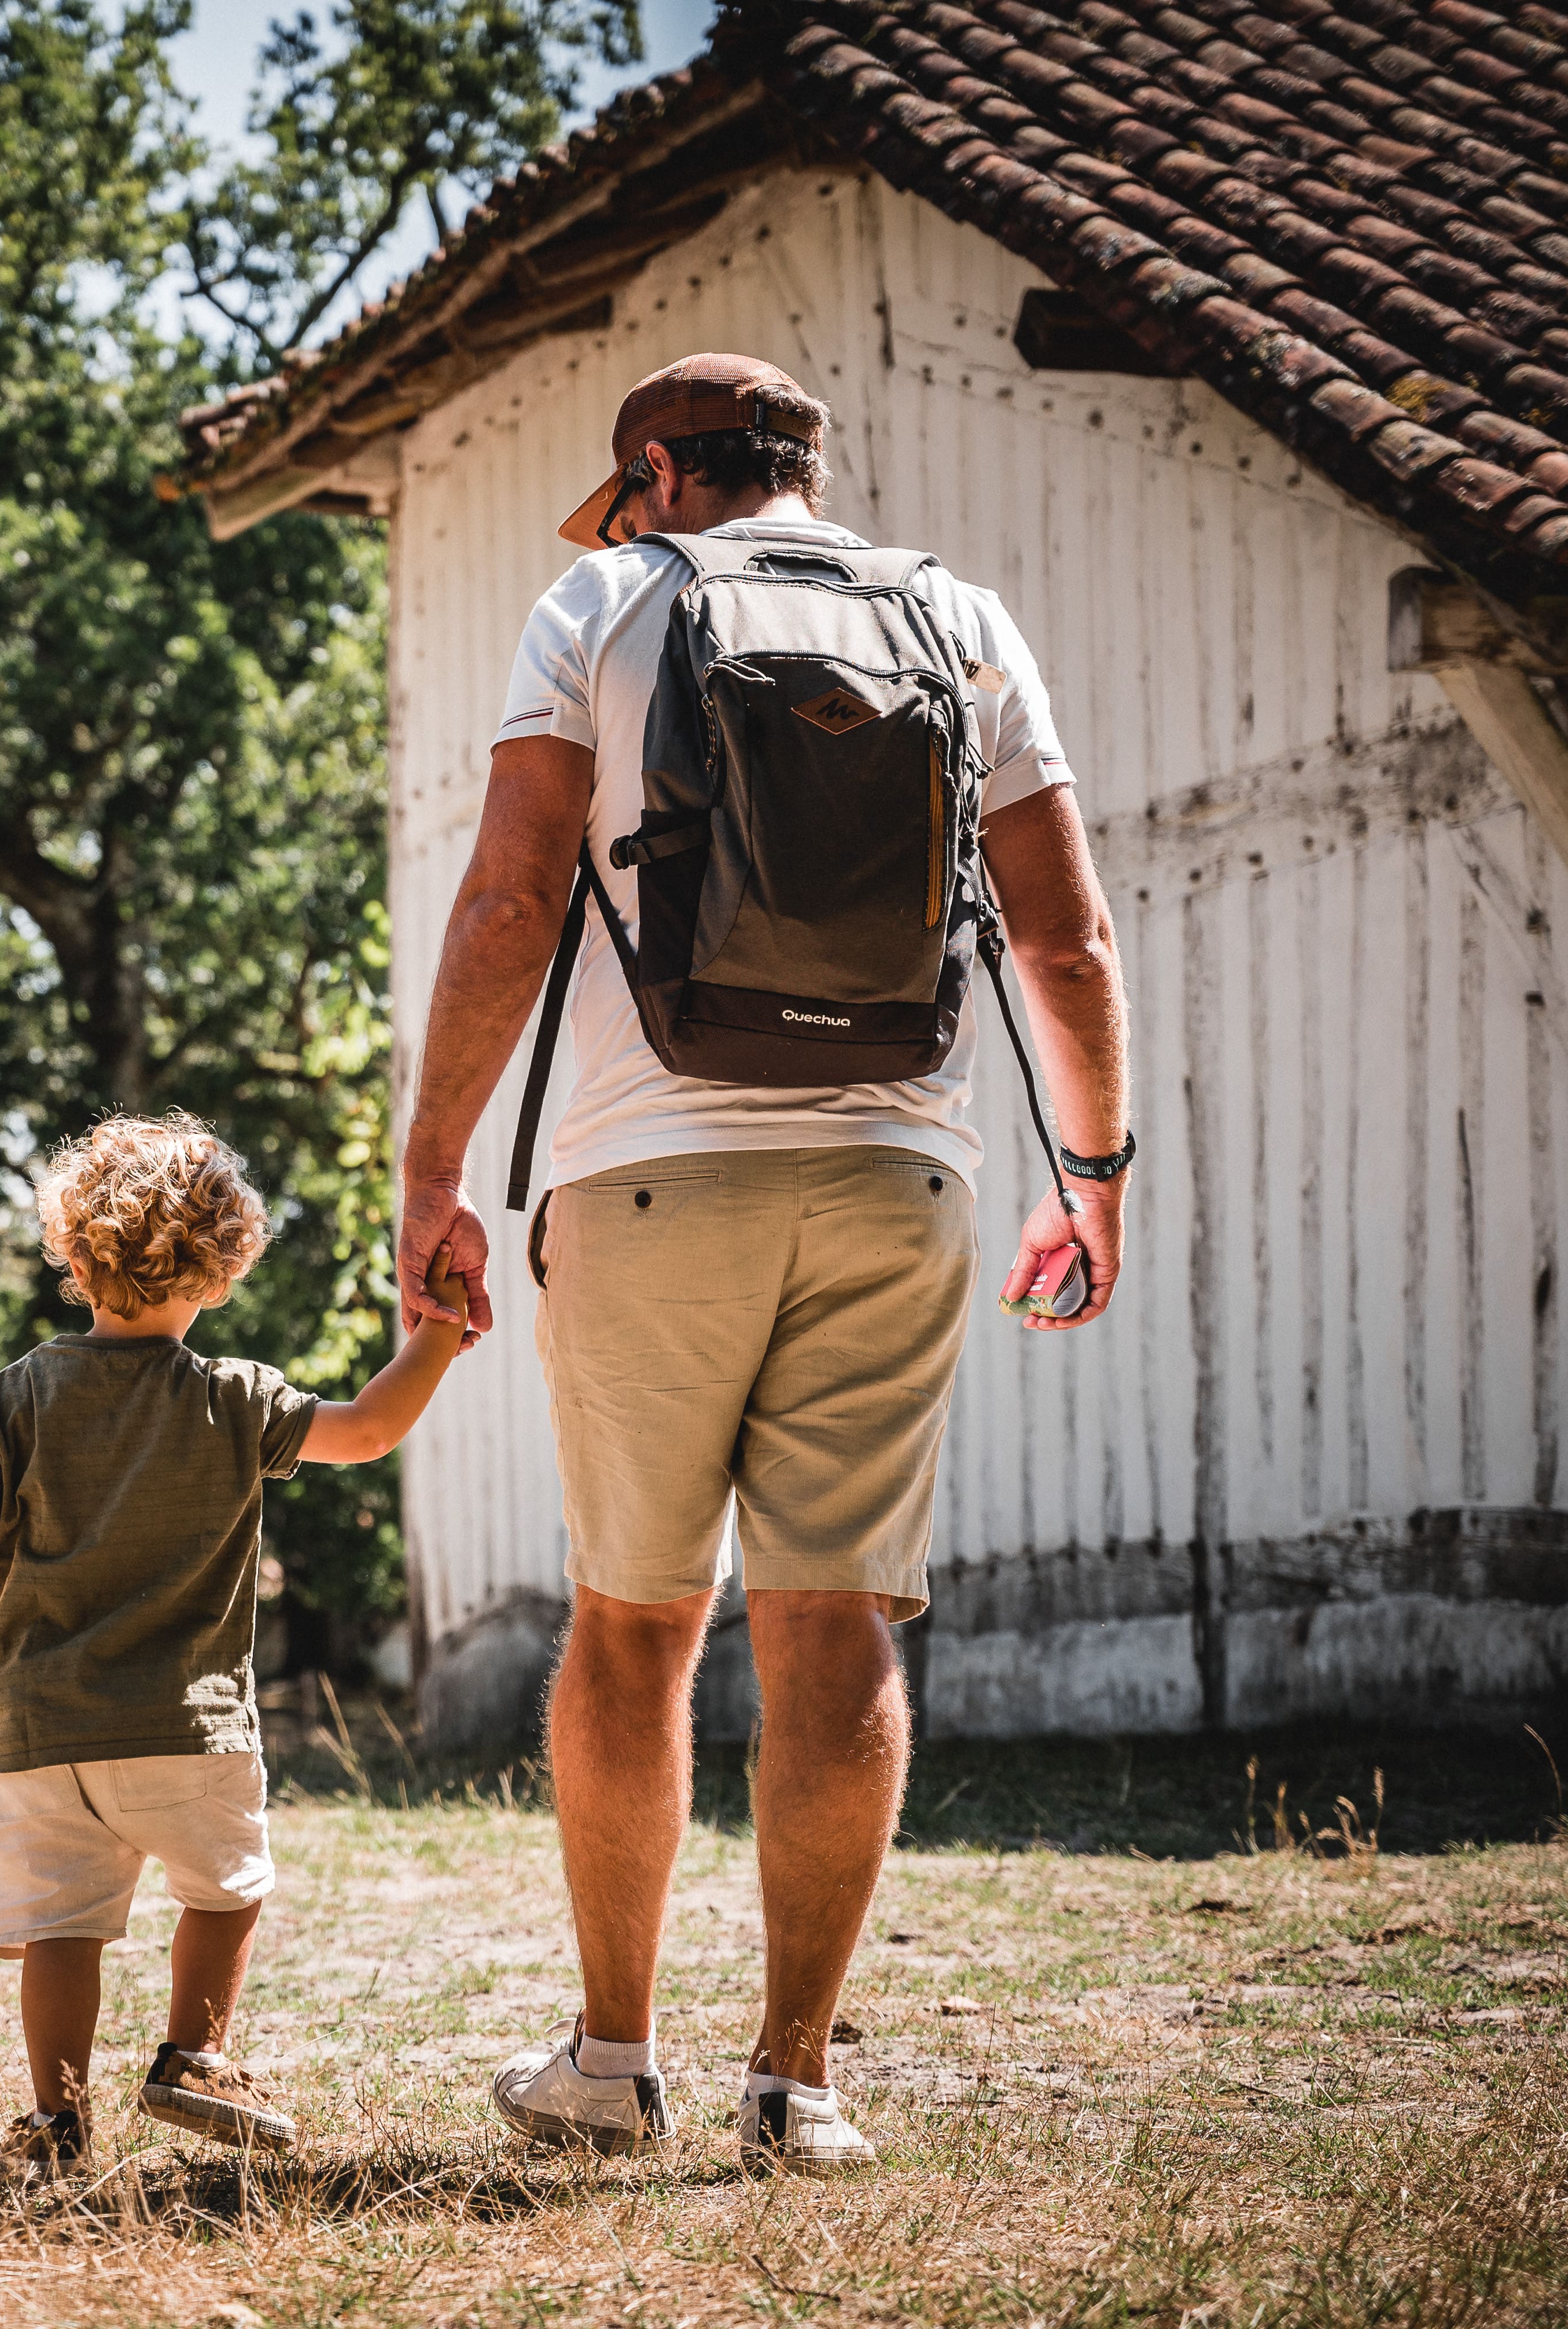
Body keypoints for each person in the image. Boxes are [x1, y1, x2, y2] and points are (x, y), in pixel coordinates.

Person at [396, 355, 1133, 2172]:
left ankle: (613, 2056)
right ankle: (798, 2085)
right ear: (806, 468)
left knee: (636, 1626)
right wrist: (1094, 1171)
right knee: (838, 1620)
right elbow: (1067, 929)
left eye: (628, 489)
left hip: (651, 1179)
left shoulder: (600, 601)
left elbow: (507, 903)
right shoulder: (955, 617)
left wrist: (431, 1168)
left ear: (656, 473)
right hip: (903, 1176)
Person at [0, 1112, 464, 2179]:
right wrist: (436, 1332)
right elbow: (369, 1429)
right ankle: (194, 2053)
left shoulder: (17, 1393)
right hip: (186, 1725)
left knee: (61, 1923)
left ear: (74, 1251)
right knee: (224, 1886)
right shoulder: (234, 1397)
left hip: (39, 1729)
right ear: (226, 1263)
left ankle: (57, 2119)